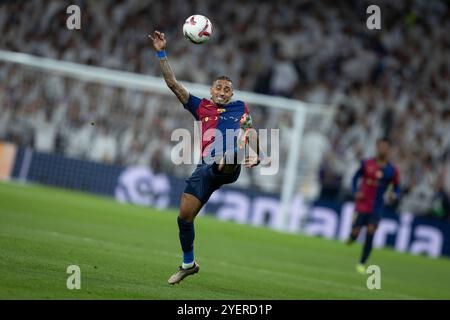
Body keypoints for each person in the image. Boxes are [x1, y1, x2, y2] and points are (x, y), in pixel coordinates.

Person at [149, 31, 268, 285]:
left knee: (228, 154)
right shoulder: (200, 106)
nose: (223, 91)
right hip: (205, 167)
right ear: (211, 90)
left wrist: (259, 154)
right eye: (219, 87)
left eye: (228, 89)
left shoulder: (240, 108)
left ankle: (230, 156)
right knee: (184, 218)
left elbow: (249, 130)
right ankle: (188, 264)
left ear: (232, 94)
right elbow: (172, 83)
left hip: (227, 165)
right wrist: (161, 51)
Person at [347, 137, 400, 274]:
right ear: (377, 147)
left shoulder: (392, 170)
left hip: (377, 206)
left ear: (388, 150)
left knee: (371, 232)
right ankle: (352, 237)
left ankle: (362, 263)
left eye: (385, 147)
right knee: (356, 232)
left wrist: (394, 194)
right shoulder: (366, 163)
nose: (382, 149)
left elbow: (397, 187)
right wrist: (356, 191)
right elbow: (354, 178)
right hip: (362, 204)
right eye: (380, 146)